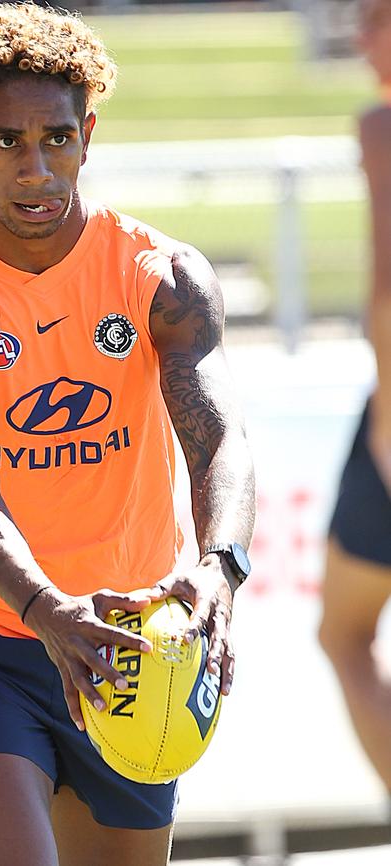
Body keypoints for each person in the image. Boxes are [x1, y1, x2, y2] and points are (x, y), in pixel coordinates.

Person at [0, 5, 255, 865]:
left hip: (133, 638)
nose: (35, 168)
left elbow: (219, 441)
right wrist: (45, 610)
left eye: (56, 138)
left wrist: (218, 569)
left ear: (88, 135)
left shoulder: (162, 278)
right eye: (6, 141)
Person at [319, 0, 391, 797]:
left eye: (378, 16)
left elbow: (389, 290)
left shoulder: (383, 126)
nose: (361, 37)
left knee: (343, 634)